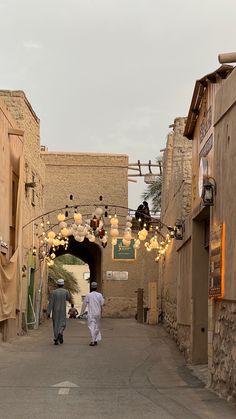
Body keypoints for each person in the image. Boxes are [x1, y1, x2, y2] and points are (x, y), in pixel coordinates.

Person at [47, 278, 71, 345]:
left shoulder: (53, 292)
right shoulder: (66, 291)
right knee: (62, 323)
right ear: (63, 284)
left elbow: (51, 302)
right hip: (62, 310)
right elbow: (68, 298)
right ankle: (60, 332)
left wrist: (48, 312)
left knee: (55, 324)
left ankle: (56, 338)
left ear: (57, 284)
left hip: (55, 310)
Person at [80, 281, 104, 346]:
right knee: (97, 326)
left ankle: (93, 341)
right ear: (97, 287)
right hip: (98, 313)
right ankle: (95, 339)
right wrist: (102, 313)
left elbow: (84, 304)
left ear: (91, 287)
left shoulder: (88, 295)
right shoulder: (100, 295)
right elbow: (102, 304)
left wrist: (81, 313)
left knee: (91, 327)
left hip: (91, 313)